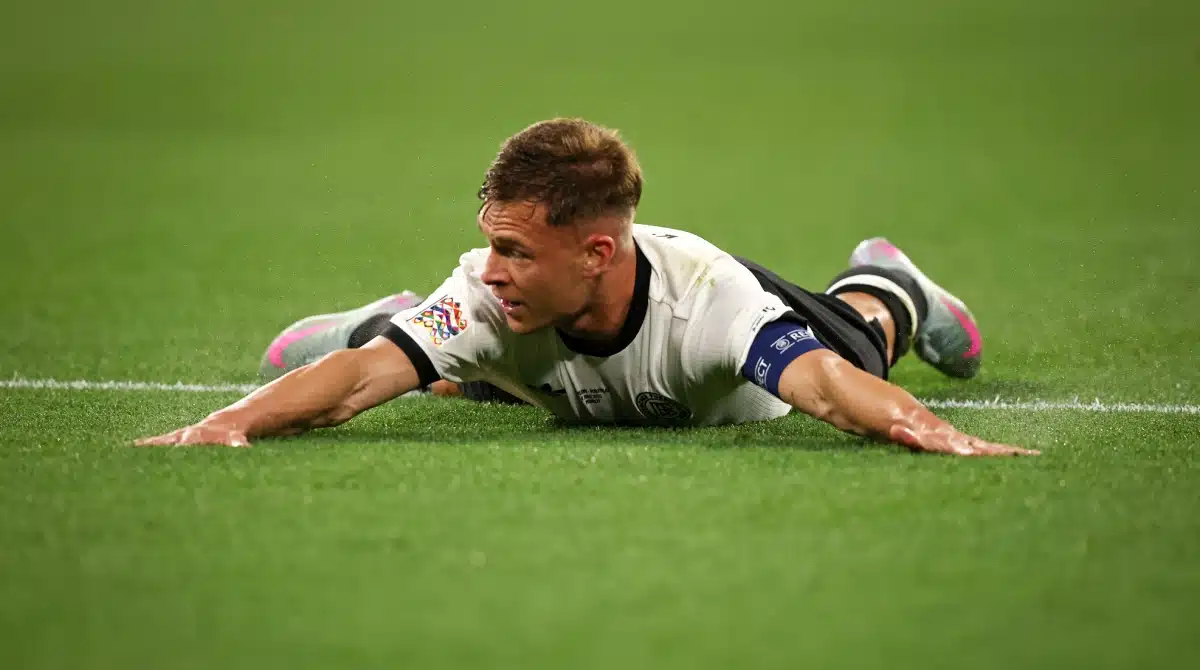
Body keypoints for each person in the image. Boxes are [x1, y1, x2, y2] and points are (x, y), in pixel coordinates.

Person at [137, 118, 1037, 456]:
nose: (491, 268)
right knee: (456, 355)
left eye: (517, 250)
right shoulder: (490, 293)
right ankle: (395, 319)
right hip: (544, 358)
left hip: (731, 364)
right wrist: (230, 421)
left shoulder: (711, 302)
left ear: (598, 252)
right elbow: (358, 382)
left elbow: (832, 392)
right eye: (489, 244)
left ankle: (888, 281)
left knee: (859, 348)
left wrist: (935, 429)